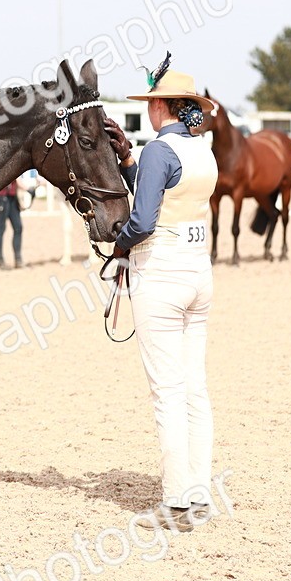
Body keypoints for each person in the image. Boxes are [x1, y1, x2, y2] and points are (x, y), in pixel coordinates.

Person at [104, 61, 218, 533]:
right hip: (199, 273)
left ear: (159, 105)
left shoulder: (159, 149)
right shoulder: (202, 151)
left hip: (163, 274)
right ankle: (199, 493)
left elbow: (145, 218)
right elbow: (168, 194)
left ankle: (175, 503)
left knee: (166, 392)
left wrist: (119, 246)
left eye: (149, 102)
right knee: (194, 388)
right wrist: (130, 164)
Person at [0, 179, 24, 269]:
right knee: (0, 228)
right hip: (0, 195)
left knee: (18, 227)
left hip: (12, 196)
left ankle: (18, 259)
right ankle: (1, 261)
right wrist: (25, 187)